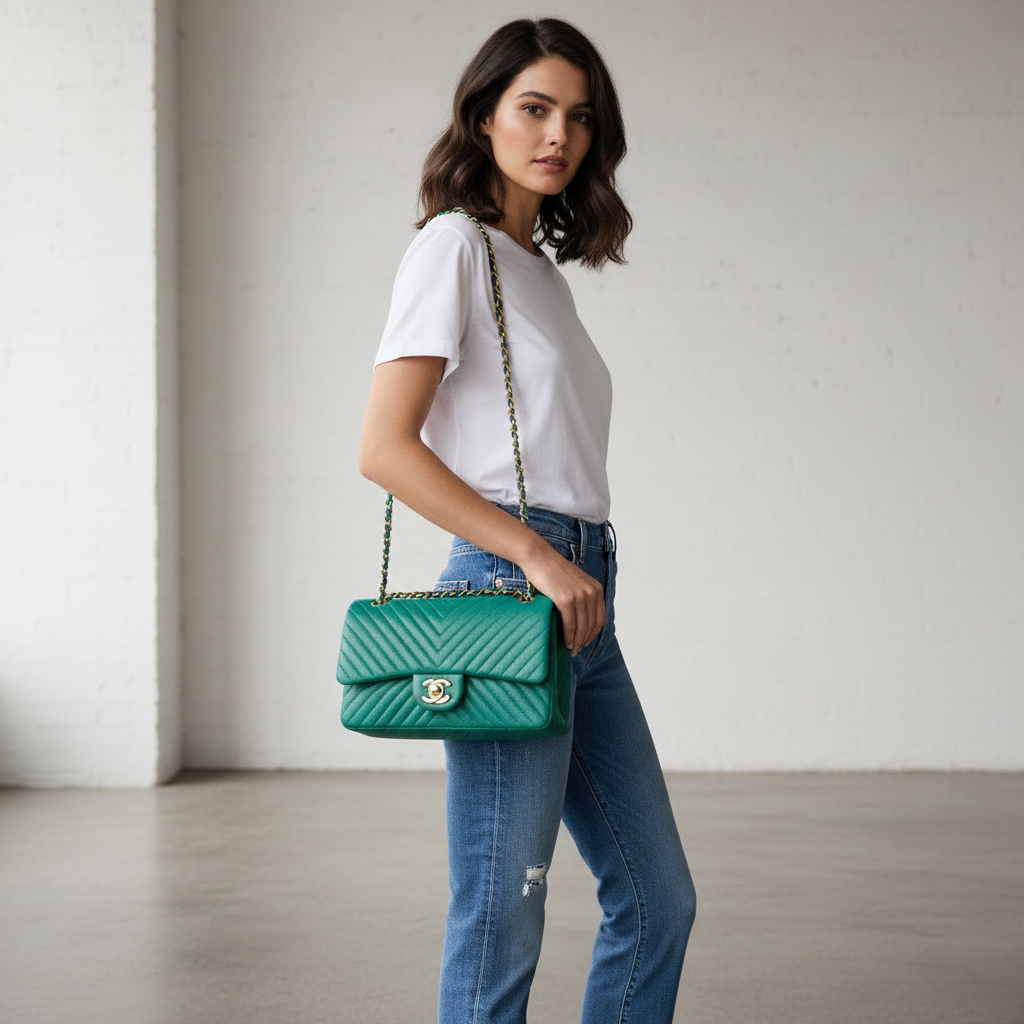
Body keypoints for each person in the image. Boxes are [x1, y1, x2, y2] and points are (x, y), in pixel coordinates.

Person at [358, 18, 696, 1023]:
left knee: (657, 899)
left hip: (582, 600)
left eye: (578, 118)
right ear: (483, 116)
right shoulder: (450, 250)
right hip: (515, 593)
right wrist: (539, 559)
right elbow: (384, 447)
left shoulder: (537, 272)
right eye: (534, 109)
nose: (559, 135)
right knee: (504, 910)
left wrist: (567, 568)